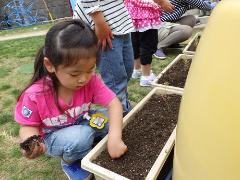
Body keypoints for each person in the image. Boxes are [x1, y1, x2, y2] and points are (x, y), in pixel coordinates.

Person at [15, 19, 127, 180]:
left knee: (114, 118)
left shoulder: (91, 80)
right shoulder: (35, 95)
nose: (84, 79)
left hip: (83, 121)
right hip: (54, 136)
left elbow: (114, 104)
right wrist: (31, 143)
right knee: (81, 137)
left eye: (90, 70)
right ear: (50, 65)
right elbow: (27, 127)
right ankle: (70, 161)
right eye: (74, 74)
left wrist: (115, 138)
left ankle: (88, 145)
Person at [73, 0, 135, 116]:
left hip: (120, 22)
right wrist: (100, 23)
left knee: (127, 70)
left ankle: (123, 104)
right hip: (104, 27)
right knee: (115, 79)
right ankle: (120, 115)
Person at [126, 0, 175, 86]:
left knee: (136, 43)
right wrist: (162, 2)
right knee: (147, 45)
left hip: (133, 10)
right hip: (146, 13)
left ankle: (137, 70)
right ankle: (146, 76)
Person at [154, 0, 218, 59]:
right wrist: (212, 5)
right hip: (156, 27)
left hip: (166, 23)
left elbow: (193, 4)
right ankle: (157, 47)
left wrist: (207, 3)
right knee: (187, 30)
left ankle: (171, 43)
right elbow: (200, 4)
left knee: (191, 19)